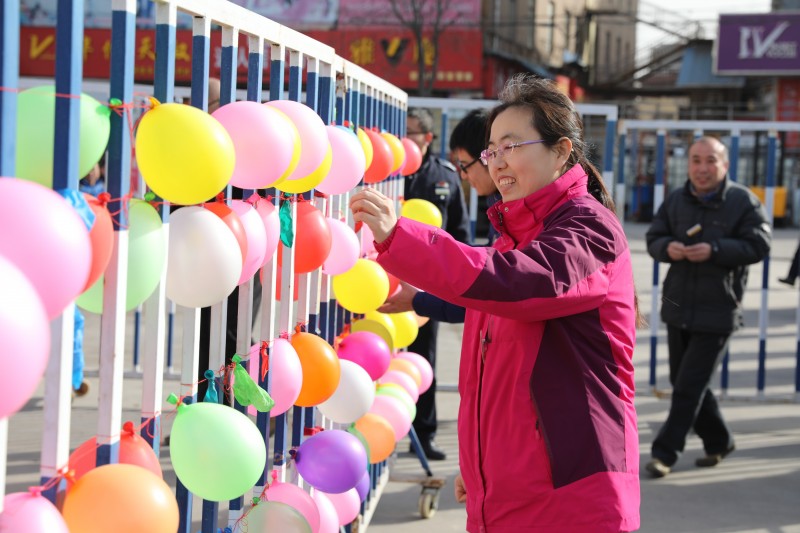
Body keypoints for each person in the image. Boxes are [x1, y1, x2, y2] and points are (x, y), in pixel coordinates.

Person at [351, 74, 640, 532]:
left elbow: (515, 283)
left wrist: (400, 236)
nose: (497, 161)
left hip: (572, 491)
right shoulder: (514, 236)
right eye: (491, 150)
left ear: (561, 151)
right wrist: (480, 466)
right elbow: (495, 381)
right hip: (510, 487)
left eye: (512, 146)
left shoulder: (589, 230)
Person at [645, 136, 771, 478]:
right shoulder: (676, 200)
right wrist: (668, 247)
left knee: (687, 387)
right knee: (686, 381)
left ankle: (665, 454)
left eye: (711, 160)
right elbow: (654, 238)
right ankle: (719, 441)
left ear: (725, 165)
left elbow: (759, 244)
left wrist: (715, 250)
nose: (702, 168)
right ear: (688, 165)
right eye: (696, 160)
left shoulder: (743, 202)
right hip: (678, 307)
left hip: (718, 311)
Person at [381, 108, 499, 322]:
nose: (463, 175)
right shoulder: (391, 173)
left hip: (437, 289)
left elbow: (490, 292)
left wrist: (421, 301)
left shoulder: (445, 175)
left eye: (464, 165)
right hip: (422, 284)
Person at [401, 107, 470, 460]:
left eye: (412, 132)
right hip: (383, 277)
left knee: (423, 358)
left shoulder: (445, 176)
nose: (405, 138)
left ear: (428, 138)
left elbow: (460, 232)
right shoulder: (388, 169)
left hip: (427, 284)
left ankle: (424, 434)